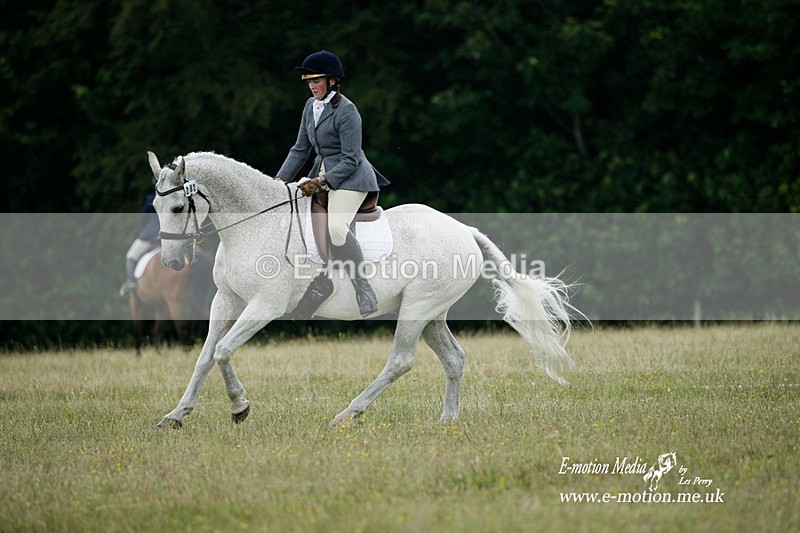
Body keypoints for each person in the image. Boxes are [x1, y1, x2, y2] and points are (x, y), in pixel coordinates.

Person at [275, 50, 389, 319]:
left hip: (351, 178)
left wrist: (321, 181)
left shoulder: (347, 111)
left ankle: (363, 287)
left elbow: (350, 159)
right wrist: (279, 181)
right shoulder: (309, 107)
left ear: (332, 81)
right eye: (309, 81)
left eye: (316, 80)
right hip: (321, 174)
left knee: (337, 228)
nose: (312, 85)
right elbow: (300, 149)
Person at [119, 192, 160, 296]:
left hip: (149, 235)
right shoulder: (174, 195)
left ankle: (131, 282)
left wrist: (140, 231)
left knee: (130, 256)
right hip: (167, 235)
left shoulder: (151, 198)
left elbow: (144, 218)